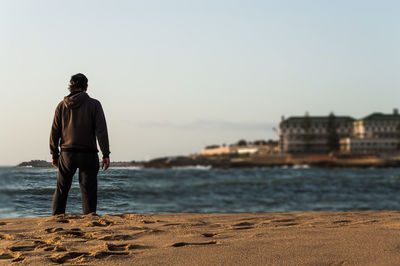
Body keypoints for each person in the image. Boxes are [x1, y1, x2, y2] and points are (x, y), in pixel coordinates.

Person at [50, 73, 110, 215]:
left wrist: (54, 153)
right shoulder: (94, 104)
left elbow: (54, 131)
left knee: (61, 189)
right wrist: (106, 153)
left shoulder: (61, 106)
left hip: (67, 153)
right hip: (88, 153)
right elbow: (101, 131)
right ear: (86, 87)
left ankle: (57, 218)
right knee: (88, 189)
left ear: (71, 87)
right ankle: (89, 218)